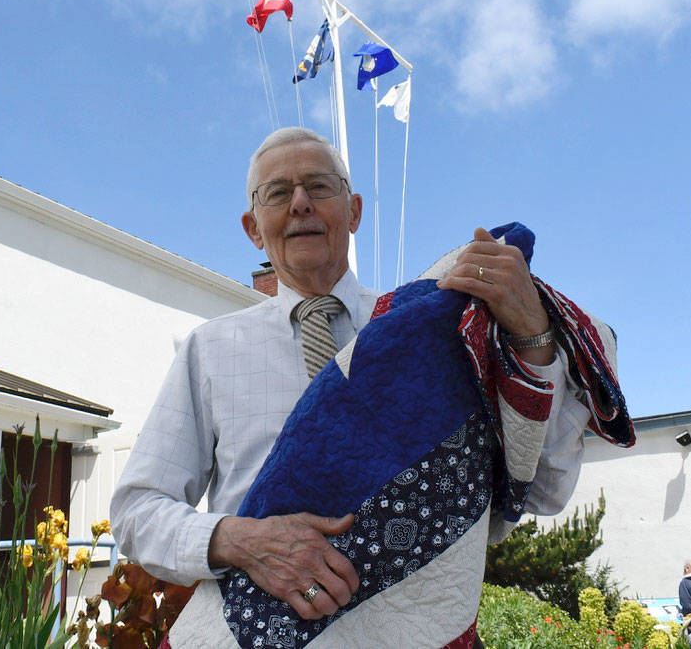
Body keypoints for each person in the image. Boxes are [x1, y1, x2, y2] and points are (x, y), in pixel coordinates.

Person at [110, 126, 600, 623]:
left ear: (355, 211)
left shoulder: (435, 335)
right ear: (253, 227)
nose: (300, 203)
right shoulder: (209, 349)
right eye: (277, 193)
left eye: (319, 186)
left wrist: (532, 340)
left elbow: (541, 492)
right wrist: (241, 540)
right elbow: (136, 511)